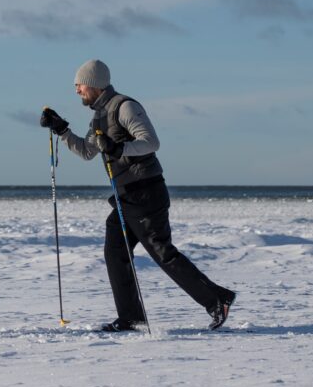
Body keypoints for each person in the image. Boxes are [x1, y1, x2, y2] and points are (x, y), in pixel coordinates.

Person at [40, 59, 236, 332]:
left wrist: (119, 148)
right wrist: (62, 129)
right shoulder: (98, 116)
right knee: (115, 252)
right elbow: (87, 151)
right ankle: (131, 317)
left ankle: (217, 299)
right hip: (126, 197)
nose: (77, 90)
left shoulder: (125, 106)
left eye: (79, 85)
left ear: (95, 83)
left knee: (163, 253)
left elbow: (151, 142)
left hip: (146, 192)